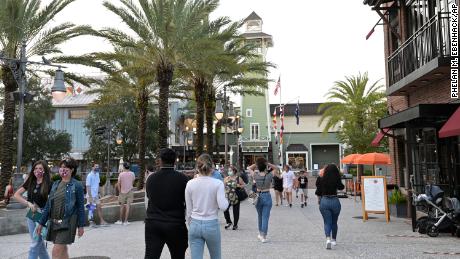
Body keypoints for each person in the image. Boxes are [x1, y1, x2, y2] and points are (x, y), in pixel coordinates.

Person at [145, 148, 189, 259]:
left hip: (153, 223)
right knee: (178, 256)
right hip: (175, 223)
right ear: (175, 161)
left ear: (160, 161)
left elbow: (149, 197)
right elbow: (187, 201)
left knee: (151, 256)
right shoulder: (183, 179)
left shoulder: (151, 178)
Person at [37, 158, 85, 259]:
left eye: (66, 167)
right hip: (55, 222)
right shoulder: (55, 184)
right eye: (61, 167)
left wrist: (81, 225)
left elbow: (81, 206)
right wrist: (41, 223)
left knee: (56, 251)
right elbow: (48, 205)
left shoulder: (77, 185)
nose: (63, 169)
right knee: (63, 250)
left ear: (72, 170)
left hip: (68, 222)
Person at [185, 153, 228, 259]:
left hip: (194, 223)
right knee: (215, 256)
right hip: (211, 223)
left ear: (197, 168)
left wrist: (191, 223)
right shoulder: (218, 184)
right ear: (212, 167)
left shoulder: (190, 184)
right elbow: (223, 206)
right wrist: (226, 197)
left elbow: (189, 209)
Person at [14, 161, 51, 259]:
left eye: (40, 168)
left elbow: (52, 201)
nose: (38, 171)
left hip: (42, 215)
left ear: (44, 170)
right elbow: (16, 195)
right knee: (39, 244)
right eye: (35, 168)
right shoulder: (30, 181)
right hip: (32, 214)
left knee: (35, 243)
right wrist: (28, 203)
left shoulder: (49, 183)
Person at [247, 157, 278, 243]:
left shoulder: (255, 175)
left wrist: (257, 164)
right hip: (267, 195)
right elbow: (276, 168)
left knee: (259, 216)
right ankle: (263, 236)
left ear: (258, 167)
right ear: (265, 167)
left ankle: (261, 234)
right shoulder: (269, 175)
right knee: (265, 217)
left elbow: (249, 168)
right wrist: (267, 163)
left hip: (257, 196)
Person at [316, 164, 345, 250]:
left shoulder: (321, 179)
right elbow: (341, 187)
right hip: (335, 200)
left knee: (327, 222)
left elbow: (318, 192)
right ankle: (334, 240)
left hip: (324, 201)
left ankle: (328, 239)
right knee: (334, 222)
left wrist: (319, 200)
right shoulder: (336, 179)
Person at [223, 166, 245, 230]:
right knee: (225, 209)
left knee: (236, 211)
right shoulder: (226, 178)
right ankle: (229, 222)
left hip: (236, 196)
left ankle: (235, 225)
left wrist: (239, 186)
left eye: (230, 170)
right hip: (228, 196)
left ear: (234, 171)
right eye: (229, 170)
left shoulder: (238, 178)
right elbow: (223, 187)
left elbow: (244, 185)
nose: (229, 172)